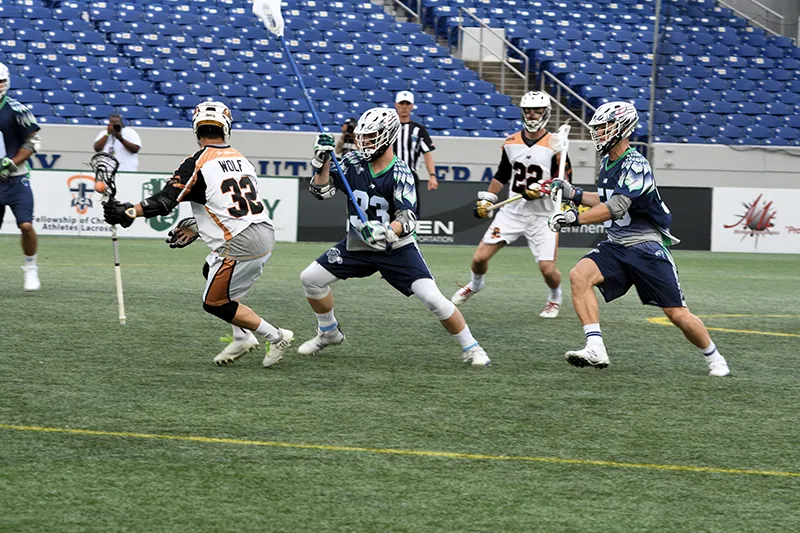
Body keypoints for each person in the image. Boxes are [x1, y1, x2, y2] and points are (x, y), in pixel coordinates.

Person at [102, 101, 294, 367]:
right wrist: (198, 226)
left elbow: (164, 201)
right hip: (262, 232)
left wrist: (129, 213)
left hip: (241, 242)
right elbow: (228, 207)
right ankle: (241, 337)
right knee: (211, 271)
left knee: (214, 303)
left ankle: (276, 336)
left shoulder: (197, 162)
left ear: (196, 128)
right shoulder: (241, 159)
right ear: (226, 128)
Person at [547, 101, 730, 377]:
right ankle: (595, 346)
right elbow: (605, 199)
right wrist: (573, 194)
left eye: (604, 127)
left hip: (645, 247)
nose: (598, 133)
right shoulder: (608, 162)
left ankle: (715, 358)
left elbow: (617, 206)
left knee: (677, 314)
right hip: (617, 245)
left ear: (623, 128)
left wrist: (574, 218)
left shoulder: (636, 163)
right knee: (579, 275)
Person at [297, 107, 490, 367]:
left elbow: (407, 218)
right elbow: (321, 192)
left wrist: (385, 230)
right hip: (357, 244)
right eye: (362, 136)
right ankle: (328, 332)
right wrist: (322, 161)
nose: (364, 142)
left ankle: (472, 347)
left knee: (433, 299)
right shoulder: (353, 162)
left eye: (371, 136)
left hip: (395, 248)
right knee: (310, 279)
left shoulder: (400, 172)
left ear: (387, 136)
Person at [451, 91, 570, 318]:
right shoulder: (511, 142)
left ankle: (555, 296)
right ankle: (475, 284)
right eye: (528, 110)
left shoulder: (556, 145)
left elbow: (564, 181)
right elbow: (502, 175)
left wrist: (543, 188)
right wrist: (488, 198)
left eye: (537, 110)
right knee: (479, 258)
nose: (532, 115)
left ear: (546, 112)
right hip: (512, 212)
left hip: (543, 215)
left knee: (547, 269)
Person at [0, 62, 43, 291]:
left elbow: (33, 142)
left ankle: (30, 266)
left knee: (26, 225)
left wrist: (11, 162)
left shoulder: (18, 109)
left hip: (16, 177)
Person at [393, 91, 437, 216]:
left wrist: (432, 175)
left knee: (411, 212)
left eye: (407, 104)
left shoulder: (418, 130)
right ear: (396, 105)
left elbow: (427, 153)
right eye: (402, 103)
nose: (404, 107)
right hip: (389, 174)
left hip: (409, 175)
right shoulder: (388, 127)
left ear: (412, 106)